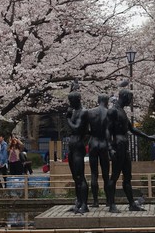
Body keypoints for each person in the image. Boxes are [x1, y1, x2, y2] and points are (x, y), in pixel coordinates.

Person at [106, 87, 155, 213]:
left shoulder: (122, 112)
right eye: (129, 98)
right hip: (117, 146)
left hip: (124, 146)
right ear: (124, 97)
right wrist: (109, 148)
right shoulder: (112, 111)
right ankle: (112, 204)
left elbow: (132, 129)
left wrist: (148, 137)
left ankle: (131, 204)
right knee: (114, 177)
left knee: (127, 177)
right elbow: (107, 130)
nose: (130, 101)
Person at [66, 85, 90, 214]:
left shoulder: (83, 112)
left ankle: (85, 204)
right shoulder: (74, 111)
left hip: (79, 145)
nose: (70, 104)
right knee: (75, 176)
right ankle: (78, 202)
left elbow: (76, 128)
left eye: (72, 102)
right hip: (72, 145)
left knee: (80, 176)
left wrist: (68, 118)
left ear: (78, 100)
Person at [87, 93, 111, 208]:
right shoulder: (109, 113)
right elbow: (109, 131)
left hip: (93, 142)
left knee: (93, 173)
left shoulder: (90, 112)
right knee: (106, 174)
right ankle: (108, 201)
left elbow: (86, 129)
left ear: (98, 100)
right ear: (106, 101)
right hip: (104, 143)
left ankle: (95, 201)